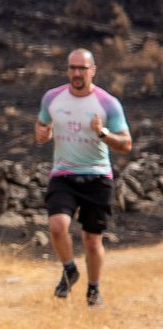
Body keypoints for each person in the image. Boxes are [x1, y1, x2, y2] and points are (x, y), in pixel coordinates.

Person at [35, 47, 131, 307]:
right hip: (63, 174)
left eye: (82, 68)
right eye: (73, 68)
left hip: (97, 176)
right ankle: (69, 269)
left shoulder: (108, 103)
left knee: (91, 240)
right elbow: (42, 125)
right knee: (57, 226)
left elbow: (126, 144)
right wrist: (43, 134)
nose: (77, 73)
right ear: (67, 70)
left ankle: (93, 289)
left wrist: (102, 134)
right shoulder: (52, 98)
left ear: (93, 70)